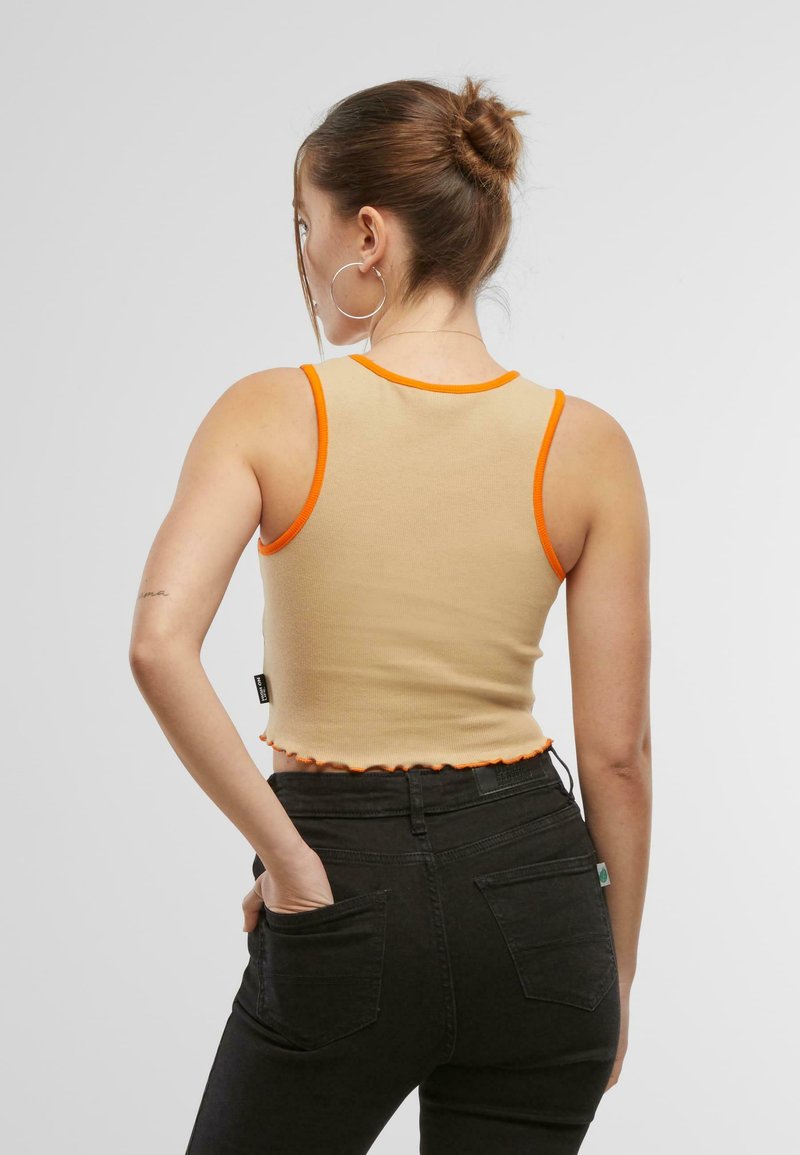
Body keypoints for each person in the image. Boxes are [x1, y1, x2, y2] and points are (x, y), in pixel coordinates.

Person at [129, 75, 651, 1155]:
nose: (306, 254)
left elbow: (158, 643)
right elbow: (617, 758)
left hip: (341, 876)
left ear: (366, 235)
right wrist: (613, 969)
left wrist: (289, 862)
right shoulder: (587, 444)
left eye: (306, 225)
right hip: (541, 897)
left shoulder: (272, 412)